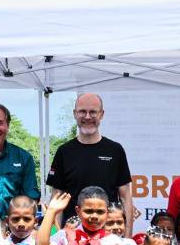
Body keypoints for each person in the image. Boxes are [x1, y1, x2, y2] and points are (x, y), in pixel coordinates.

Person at [47, 93, 134, 236]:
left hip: (107, 235)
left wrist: (128, 237)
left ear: (102, 114)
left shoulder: (115, 150)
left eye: (93, 112)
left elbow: (125, 197)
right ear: (75, 114)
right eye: (82, 111)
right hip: (72, 236)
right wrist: (57, 236)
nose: (87, 117)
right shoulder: (64, 152)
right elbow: (57, 198)